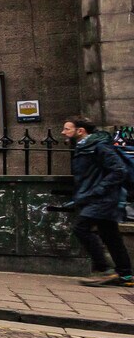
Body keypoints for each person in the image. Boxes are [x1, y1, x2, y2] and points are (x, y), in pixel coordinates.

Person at [57, 116, 132, 286]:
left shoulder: (98, 146)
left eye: (67, 129)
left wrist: (98, 190)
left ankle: (105, 270)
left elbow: (118, 170)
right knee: (111, 236)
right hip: (97, 197)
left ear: (80, 131)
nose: (63, 132)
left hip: (102, 199)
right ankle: (125, 275)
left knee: (81, 228)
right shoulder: (84, 147)